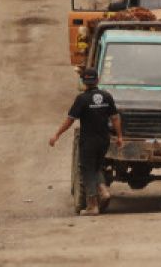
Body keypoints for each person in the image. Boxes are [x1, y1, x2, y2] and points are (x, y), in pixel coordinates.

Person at [49, 68, 124, 216]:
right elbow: (115, 117)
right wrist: (120, 136)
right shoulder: (107, 96)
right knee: (97, 167)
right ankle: (103, 190)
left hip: (88, 141)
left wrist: (57, 134)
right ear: (97, 80)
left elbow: (70, 120)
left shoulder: (82, 99)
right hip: (104, 140)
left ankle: (92, 206)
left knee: (87, 170)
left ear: (83, 82)